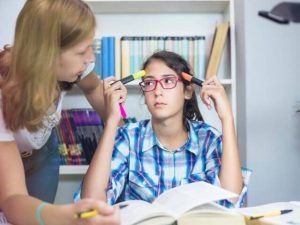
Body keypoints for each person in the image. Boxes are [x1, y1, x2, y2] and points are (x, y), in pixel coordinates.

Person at [0, 0, 126, 224]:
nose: (90, 59)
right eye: (81, 51)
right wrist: (69, 215)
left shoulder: (78, 66)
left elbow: (94, 88)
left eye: (90, 46)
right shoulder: (3, 98)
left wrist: (124, 130)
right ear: (46, 53)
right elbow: (12, 200)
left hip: (43, 152)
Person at [77, 50, 250, 208]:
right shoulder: (128, 137)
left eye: (168, 81)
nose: (158, 91)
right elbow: (91, 203)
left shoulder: (210, 138)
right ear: (144, 93)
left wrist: (227, 118)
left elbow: (231, 201)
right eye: (150, 83)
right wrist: (112, 119)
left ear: (187, 91)